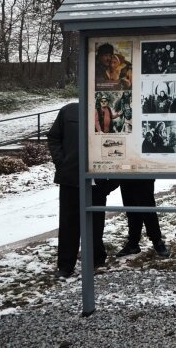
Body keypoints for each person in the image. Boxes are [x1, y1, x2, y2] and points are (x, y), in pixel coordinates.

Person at [47, 102, 114, 278]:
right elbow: (54, 137)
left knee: (96, 221)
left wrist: (111, 180)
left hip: (98, 179)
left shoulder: (105, 110)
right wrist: (62, 163)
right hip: (71, 179)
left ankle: (96, 259)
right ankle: (65, 265)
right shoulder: (69, 111)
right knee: (69, 223)